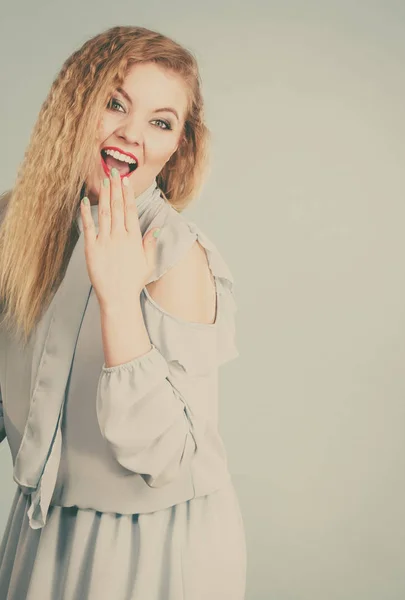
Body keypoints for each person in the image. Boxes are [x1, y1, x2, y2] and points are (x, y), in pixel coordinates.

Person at [0, 25, 246, 599]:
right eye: (115, 103)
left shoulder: (178, 256)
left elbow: (164, 457)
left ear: (177, 145)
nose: (131, 135)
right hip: (42, 528)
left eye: (161, 122)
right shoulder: (15, 223)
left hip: (153, 546)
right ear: (75, 104)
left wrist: (118, 302)